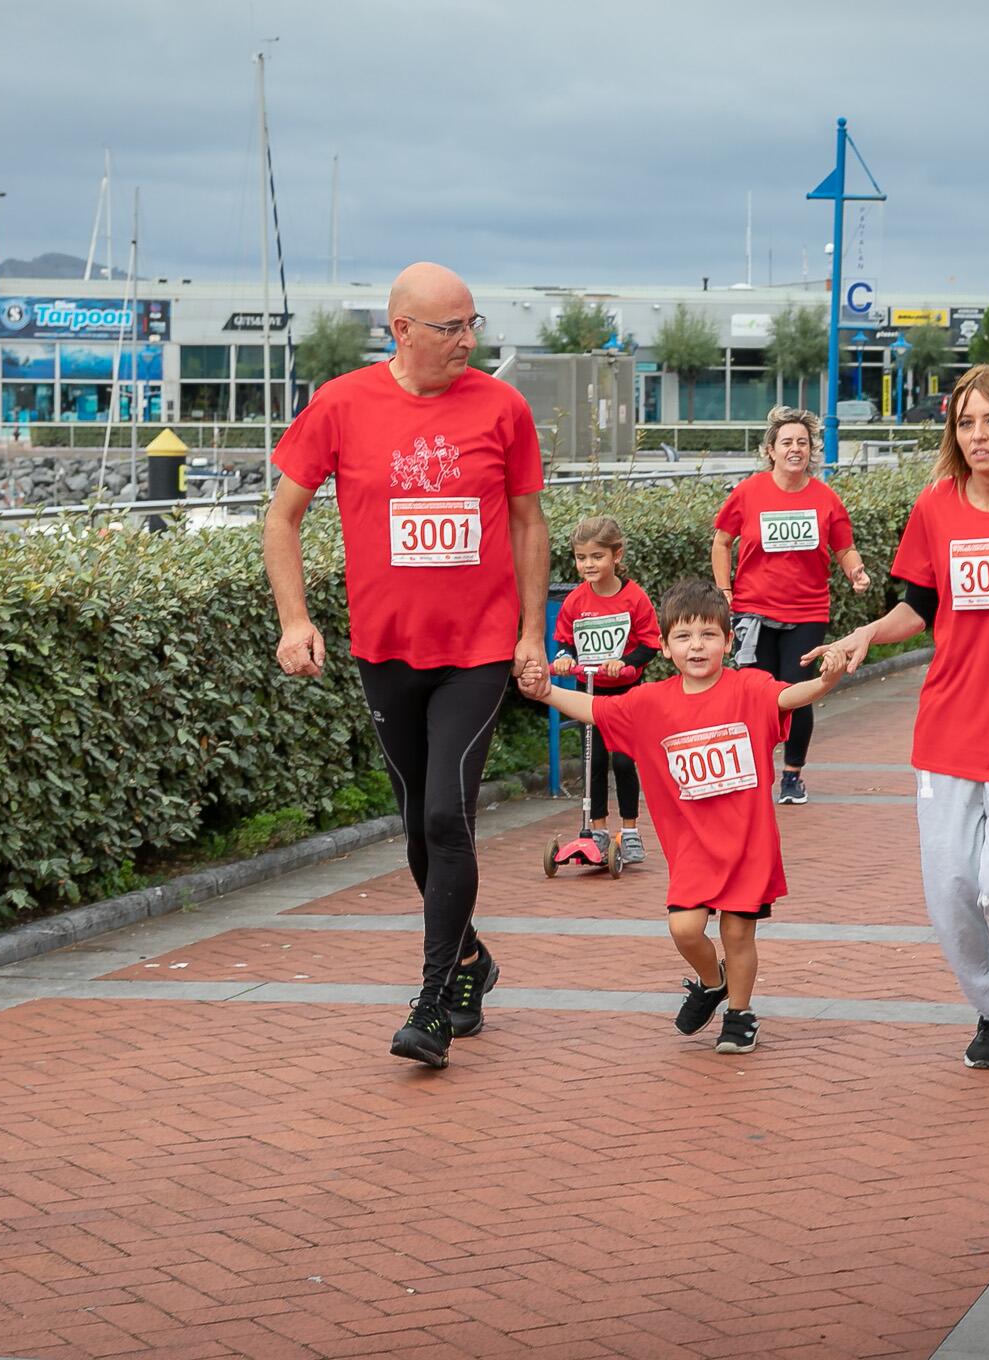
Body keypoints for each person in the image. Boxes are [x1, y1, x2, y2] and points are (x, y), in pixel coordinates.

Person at [263, 261, 549, 1070]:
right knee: (416, 825)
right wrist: (296, 619)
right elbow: (282, 518)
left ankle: (430, 1003)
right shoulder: (341, 404)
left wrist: (531, 633)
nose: (468, 340)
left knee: (444, 819)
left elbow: (529, 523)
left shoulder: (503, 408)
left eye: (472, 323)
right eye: (451, 327)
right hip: (385, 650)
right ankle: (470, 961)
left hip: (479, 651)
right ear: (402, 331)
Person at [825, 364, 989, 1069]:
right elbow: (921, 607)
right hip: (948, 726)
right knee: (950, 889)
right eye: (965, 422)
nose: (978, 435)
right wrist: (866, 634)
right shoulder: (937, 504)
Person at [521, 579, 847, 1053]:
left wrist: (827, 681)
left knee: (737, 933)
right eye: (685, 636)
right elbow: (595, 708)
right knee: (685, 928)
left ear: (729, 641)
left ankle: (739, 1014)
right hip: (692, 847)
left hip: (747, 843)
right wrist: (547, 691)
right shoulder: (650, 702)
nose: (697, 645)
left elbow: (789, 698)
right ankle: (711, 982)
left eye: (709, 635)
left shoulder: (750, 688)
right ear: (665, 646)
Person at [711, 406, 872, 805]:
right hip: (753, 611)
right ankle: (755, 773)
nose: (795, 449)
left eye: (802, 442)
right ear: (771, 450)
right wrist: (725, 592)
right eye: (787, 443)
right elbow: (721, 541)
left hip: (806, 611)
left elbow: (844, 547)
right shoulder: (748, 492)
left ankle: (792, 775)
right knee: (756, 694)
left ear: (811, 450)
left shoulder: (826, 498)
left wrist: (856, 572)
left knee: (797, 692)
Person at [550, 515, 663, 864]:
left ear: (616, 555)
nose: (588, 565)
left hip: (626, 694)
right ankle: (597, 829)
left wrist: (625, 661)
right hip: (591, 694)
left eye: (597, 557)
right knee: (593, 761)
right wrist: (566, 659)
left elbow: (650, 644)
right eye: (582, 558)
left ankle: (629, 831)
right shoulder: (575, 602)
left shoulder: (634, 598)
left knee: (624, 762)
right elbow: (565, 643)